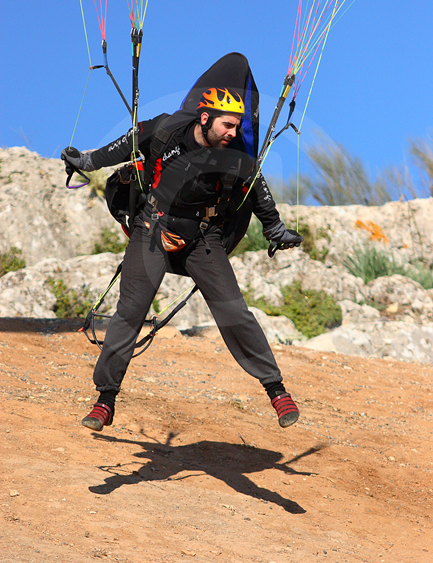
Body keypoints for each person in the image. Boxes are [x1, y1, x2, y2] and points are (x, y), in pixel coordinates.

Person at [62, 85, 303, 432]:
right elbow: (124, 145)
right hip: (153, 228)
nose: (234, 133)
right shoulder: (166, 129)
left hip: (203, 237)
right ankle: (105, 400)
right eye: (227, 125)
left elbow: (257, 190)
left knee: (234, 311)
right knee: (130, 311)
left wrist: (275, 229)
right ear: (205, 119)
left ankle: (276, 391)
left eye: (236, 126)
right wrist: (86, 161)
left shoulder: (234, 155)